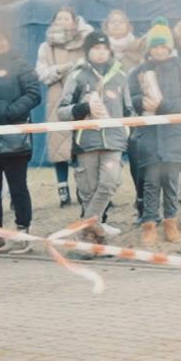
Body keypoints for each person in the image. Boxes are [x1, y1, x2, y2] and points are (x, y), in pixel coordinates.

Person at [56, 31, 129, 241]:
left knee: (110, 182)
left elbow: (129, 110)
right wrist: (85, 107)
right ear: (88, 51)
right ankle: (94, 242)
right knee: (88, 193)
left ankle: (85, 227)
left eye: (104, 48)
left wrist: (126, 132)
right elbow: (62, 111)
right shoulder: (77, 75)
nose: (101, 52)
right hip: (85, 143)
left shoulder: (121, 76)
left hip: (114, 142)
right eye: (96, 48)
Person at [129, 22, 181, 246]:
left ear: (169, 48)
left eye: (163, 46)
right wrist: (143, 102)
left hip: (174, 135)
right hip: (149, 135)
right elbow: (131, 98)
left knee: (170, 181)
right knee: (150, 181)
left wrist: (164, 105)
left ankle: (171, 222)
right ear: (149, 48)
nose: (159, 51)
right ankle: (149, 223)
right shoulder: (139, 71)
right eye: (155, 47)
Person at [0, 29, 42, 254]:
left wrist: (12, 113)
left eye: (2, 37)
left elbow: (34, 93)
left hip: (14, 136)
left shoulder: (21, 65)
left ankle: (23, 233)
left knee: (18, 188)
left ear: (9, 40)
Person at [35, 7, 91, 206]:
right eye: (59, 18)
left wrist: (83, 29)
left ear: (74, 21)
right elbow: (41, 74)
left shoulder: (83, 41)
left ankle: (83, 187)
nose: (63, 22)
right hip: (57, 97)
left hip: (80, 95)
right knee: (59, 146)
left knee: (81, 144)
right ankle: (62, 189)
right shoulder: (46, 47)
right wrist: (64, 68)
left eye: (67, 18)